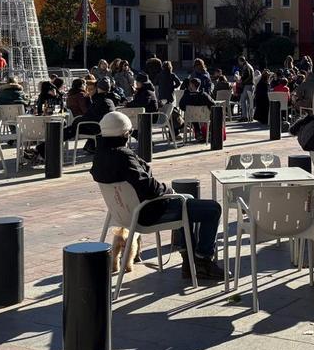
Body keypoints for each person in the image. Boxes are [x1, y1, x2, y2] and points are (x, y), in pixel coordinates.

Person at [90, 112, 225, 279]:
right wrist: (169, 191)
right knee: (213, 209)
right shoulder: (123, 156)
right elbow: (150, 188)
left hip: (123, 215)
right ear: (125, 134)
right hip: (147, 214)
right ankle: (203, 259)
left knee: (188, 201)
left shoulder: (99, 157)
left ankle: (188, 261)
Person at [236, 56, 256, 122]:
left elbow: (246, 75)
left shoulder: (246, 67)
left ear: (241, 61)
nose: (239, 63)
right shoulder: (249, 66)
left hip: (248, 85)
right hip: (251, 85)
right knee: (249, 101)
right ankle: (250, 116)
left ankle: (244, 116)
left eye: (239, 62)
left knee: (242, 100)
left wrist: (240, 80)